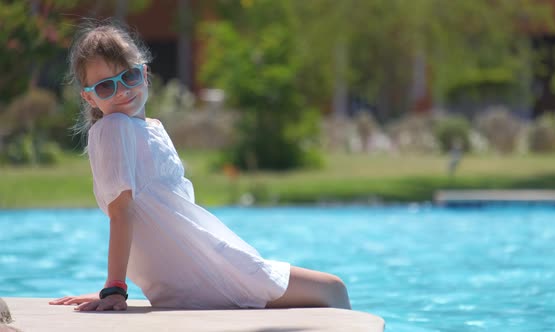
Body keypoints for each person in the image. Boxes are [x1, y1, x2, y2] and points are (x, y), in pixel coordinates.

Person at [49, 19, 350, 312]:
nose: (122, 91)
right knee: (333, 290)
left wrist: (115, 284)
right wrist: (114, 287)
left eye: (128, 77)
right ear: (88, 97)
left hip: (199, 269)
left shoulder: (148, 127)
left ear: (145, 73)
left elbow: (157, 222)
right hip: (208, 272)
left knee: (330, 289)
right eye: (105, 87)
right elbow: (122, 213)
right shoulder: (114, 127)